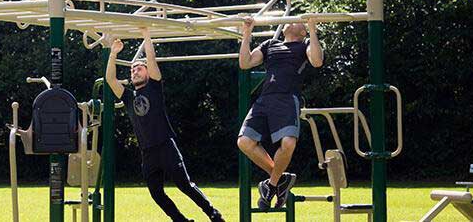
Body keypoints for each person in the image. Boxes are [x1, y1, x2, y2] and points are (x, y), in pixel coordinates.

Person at [104, 27, 224, 222]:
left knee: (185, 185)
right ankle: (181, 221)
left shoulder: (154, 87)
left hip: (165, 145)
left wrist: (146, 34)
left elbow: (151, 60)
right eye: (132, 69)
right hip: (147, 152)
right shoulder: (128, 97)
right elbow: (110, 79)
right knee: (156, 194)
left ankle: (213, 214)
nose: (135, 71)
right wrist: (113, 53)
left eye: (139, 68)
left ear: (148, 73)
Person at [236, 17, 324, 210]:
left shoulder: (305, 45)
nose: (292, 21)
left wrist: (312, 29)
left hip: (286, 98)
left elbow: (317, 61)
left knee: (288, 143)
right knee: (244, 142)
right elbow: (245, 62)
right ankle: (280, 179)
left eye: (299, 22)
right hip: (265, 98)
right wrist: (246, 33)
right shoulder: (270, 44)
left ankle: (272, 185)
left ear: (303, 32)